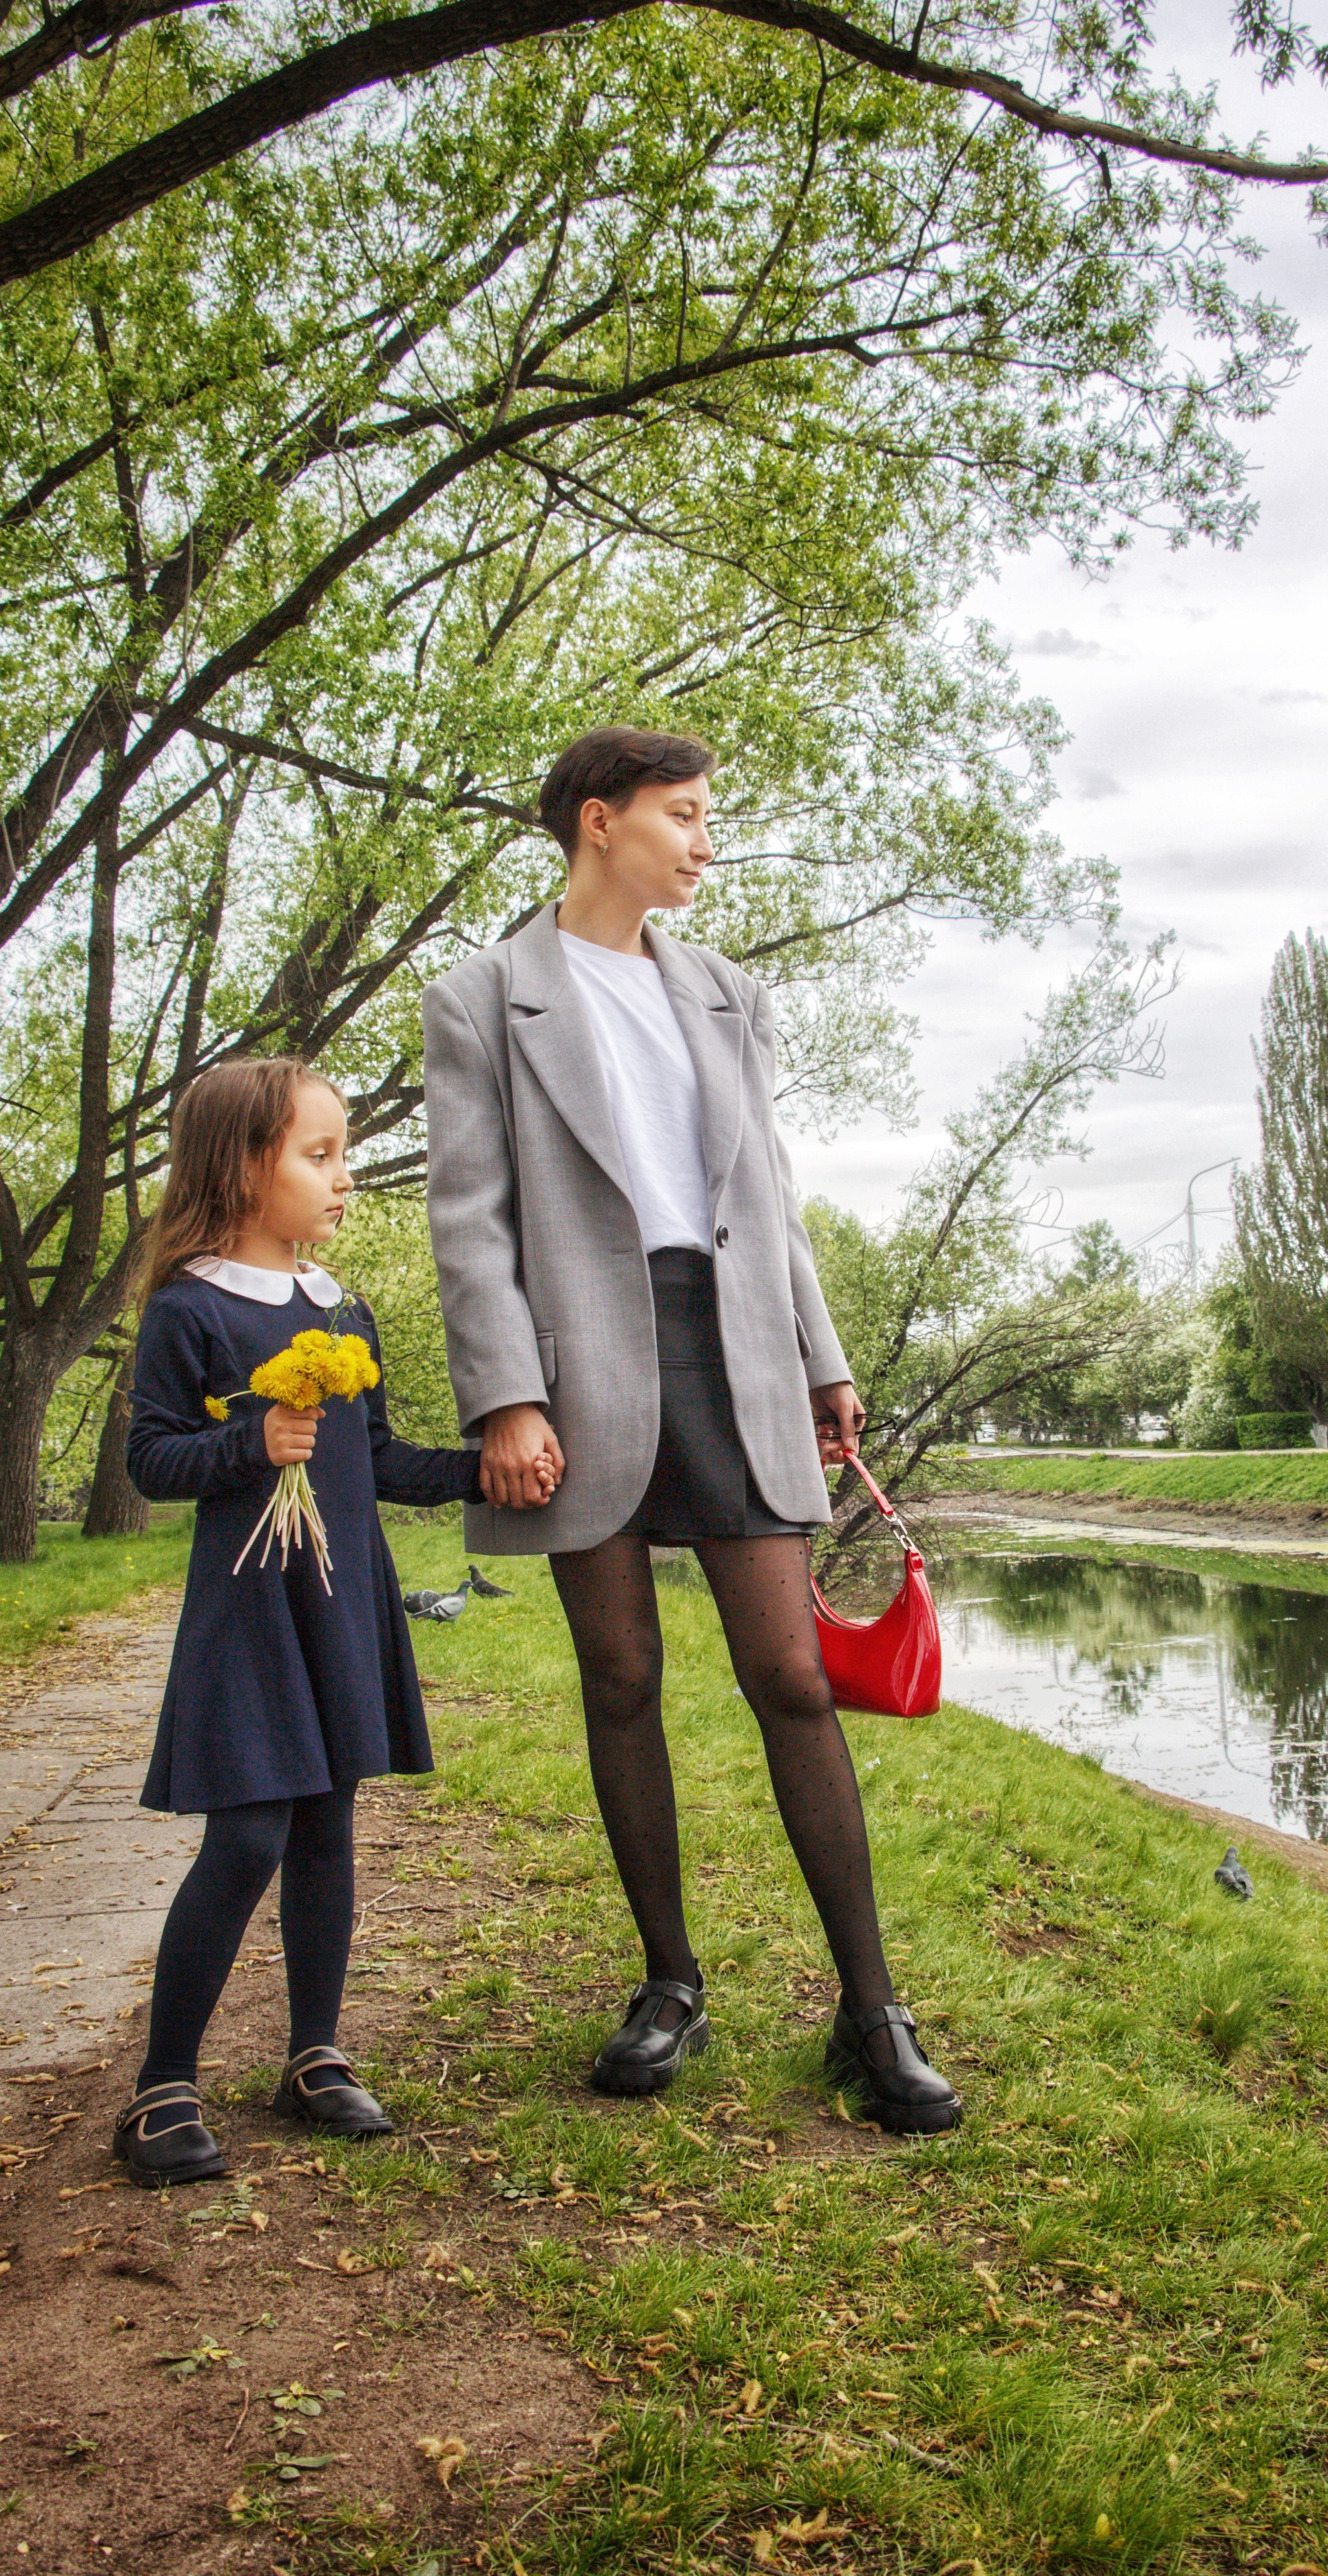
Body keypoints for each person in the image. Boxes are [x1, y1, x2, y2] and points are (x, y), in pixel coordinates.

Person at [422, 727, 960, 2135]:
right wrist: (503, 1396)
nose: (706, 840)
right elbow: (469, 1217)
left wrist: (821, 1356)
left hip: (734, 1348)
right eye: (685, 815)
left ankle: (869, 2010)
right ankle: (668, 1984)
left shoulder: (724, 992)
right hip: (577, 1359)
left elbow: (768, 1193)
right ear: (600, 823)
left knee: (789, 1674)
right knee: (619, 1676)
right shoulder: (482, 997)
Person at [115, 1058, 532, 2188]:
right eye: (321, 1153)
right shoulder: (190, 1306)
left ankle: (314, 2056)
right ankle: (161, 2087)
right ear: (246, 1166)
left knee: (326, 1831)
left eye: (342, 1152)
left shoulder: (342, 1308)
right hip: (251, 1613)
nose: (343, 1176)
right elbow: (152, 1458)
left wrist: (486, 1472)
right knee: (248, 1834)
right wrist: (250, 1443)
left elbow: (380, 1458)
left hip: (341, 1601)